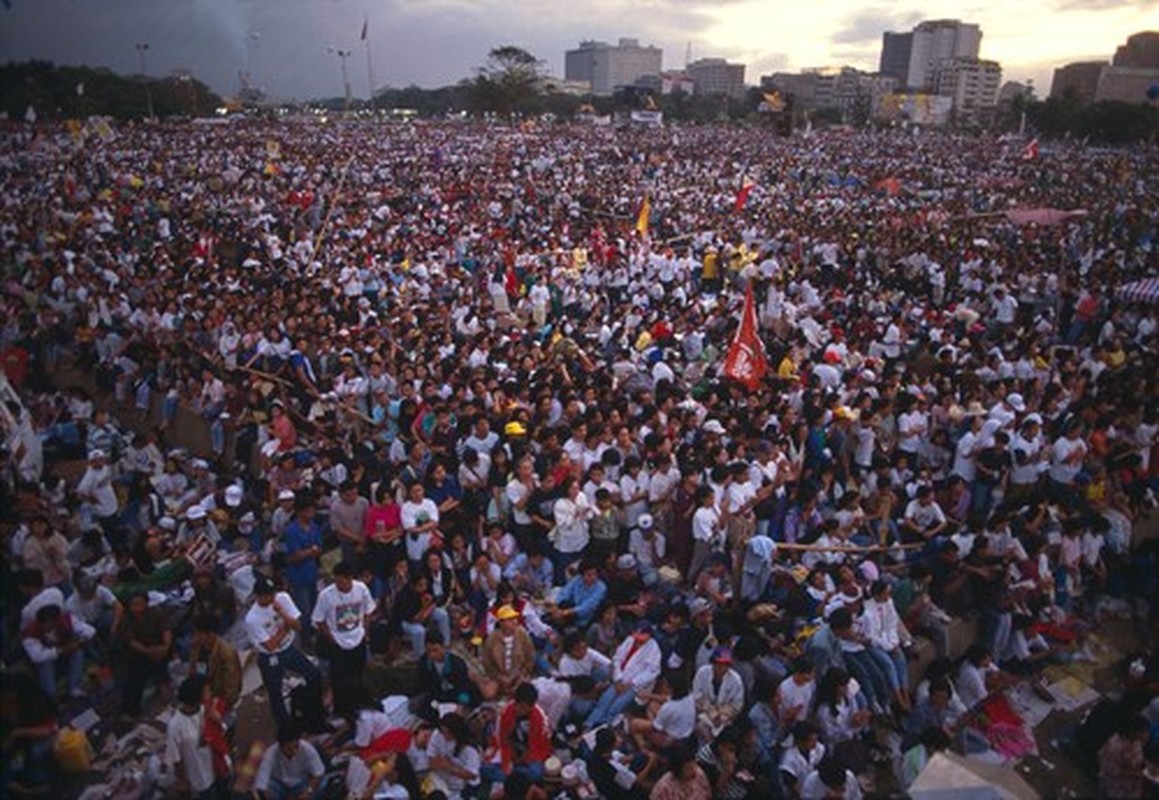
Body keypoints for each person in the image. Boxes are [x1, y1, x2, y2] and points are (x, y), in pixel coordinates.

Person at [245, 573, 325, 732]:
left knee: (313, 674)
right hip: (271, 657)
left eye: (273, 593)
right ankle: (286, 728)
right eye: (268, 595)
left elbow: (298, 626)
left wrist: (282, 614)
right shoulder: (252, 618)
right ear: (259, 596)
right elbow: (271, 646)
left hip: (289, 648)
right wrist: (284, 629)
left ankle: (313, 714)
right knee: (276, 694)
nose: (272, 597)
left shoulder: (282, 598)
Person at [312, 560, 376, 721]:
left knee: (358, 674)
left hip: (358, 638)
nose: (338, 584)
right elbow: (318, 620)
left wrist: (364, 631)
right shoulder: (326, 595)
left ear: (350, 578)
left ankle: (359, 704)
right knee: (339, 678)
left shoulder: (361, 589)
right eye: (336, 580)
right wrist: (331, 638)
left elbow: (369, 610)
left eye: (341, 581)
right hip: (337, 642)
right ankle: (341, 710)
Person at [586, 620, 662, 728]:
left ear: (649, 635)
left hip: (633, 686)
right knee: (603, 702)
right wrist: (618, 679)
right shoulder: (629, 640)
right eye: (637, 632)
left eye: (642, 633)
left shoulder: (654, 649)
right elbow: (617, 659)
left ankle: (600, 730)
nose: (638, 635)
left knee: (615, 708)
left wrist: (631, 683)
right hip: (619, 680)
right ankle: (588, 725)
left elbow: (652, 672)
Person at [117, 590, 172, 716]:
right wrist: (148, 651)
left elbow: (166, 630)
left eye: (140, 604)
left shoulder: (156, 613)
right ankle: (131, 710)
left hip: (158, 648)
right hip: (137, 653)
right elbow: (130, 641)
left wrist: (165, 647)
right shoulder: (126, 619)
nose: (137, 608)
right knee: (135, 680)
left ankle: (165, 692)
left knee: (161, 669)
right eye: (134, 605)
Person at [165, 676, 220, 800]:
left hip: (213, 767)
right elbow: (175, 757)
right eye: (206, 691)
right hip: (197, 776)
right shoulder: (175, 725)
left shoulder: (204, 711)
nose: (209, 694)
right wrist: (182, 781)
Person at [254, 724, 326, 800]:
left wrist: (308, 791)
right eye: (289, 749)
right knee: (269, 786)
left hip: (301, 784)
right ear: (280, 746)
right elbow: (262, 785)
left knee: (322, 783)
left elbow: (318, 773)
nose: (294, 751)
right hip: (280, 786)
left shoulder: (308, 749)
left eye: (296, 747)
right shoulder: (270, 754)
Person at [189, 613, 243, 710]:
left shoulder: (226, 653)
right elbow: (193, 667)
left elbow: (231, 686)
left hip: (217, 697)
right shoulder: (197, 646)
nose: (196, 637)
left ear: (210, 634)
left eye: (199, 634)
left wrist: (220, 706)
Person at [692, 646, 745, 743]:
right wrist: (711, 711)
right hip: (703, 713)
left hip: (725, 717)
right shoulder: (702, 672)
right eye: (718, 663)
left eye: (725, 664)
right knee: (701, 727)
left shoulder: (736, 680)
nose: (722, 667)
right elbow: (697, 696)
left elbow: (737, 705)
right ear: (713, 662)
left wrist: (722, 714)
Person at [427, 712, 482, 800]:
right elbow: (431, 759)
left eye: (448, 733)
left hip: (462, 787)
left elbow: (472, 775)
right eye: (443, 732)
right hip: (441, 781)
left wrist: (449, 767)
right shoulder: (437, 734)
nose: (444, 736)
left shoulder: (470, 749)